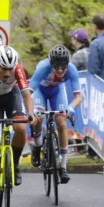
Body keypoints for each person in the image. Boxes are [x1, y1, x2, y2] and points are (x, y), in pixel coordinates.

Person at [0, 46, 35, 195]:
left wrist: (30, 114)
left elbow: (26, 94)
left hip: (11, 96)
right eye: (4, 69)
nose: (8, 73)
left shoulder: (17, 69)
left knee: (20, 128)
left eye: (10, 69)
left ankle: (14, 165)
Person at [28, 45, 82, 184]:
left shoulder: (71, 70)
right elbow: (29, 92)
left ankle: (63, 167)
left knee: (61, 122)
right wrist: (32, 110)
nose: (60, 71)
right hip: (40, 91)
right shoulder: (43, 68)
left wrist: (71, 107)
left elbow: (78, 97)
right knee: (39, 117)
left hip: (57, 92)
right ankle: (37, 145)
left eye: (63, 68)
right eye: (56, 67)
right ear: (51, 64)